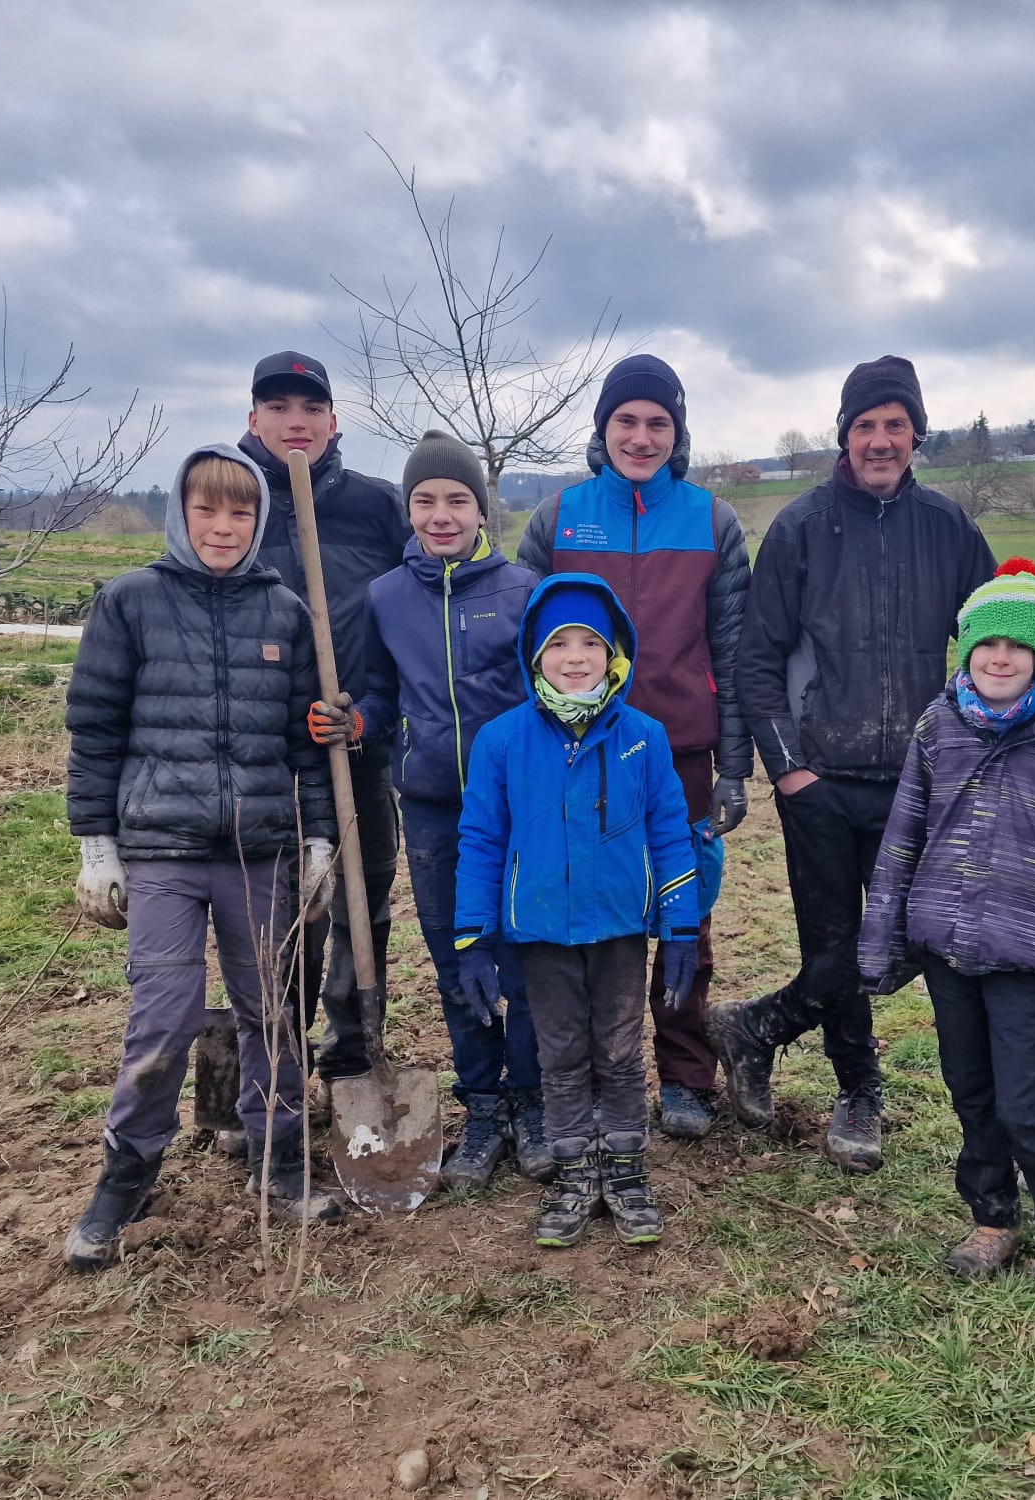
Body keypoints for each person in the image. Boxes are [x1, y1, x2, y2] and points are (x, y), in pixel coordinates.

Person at [710, 355, 996, 1173]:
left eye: (895, 426)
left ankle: (757, 1024)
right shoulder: (801, 529)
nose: (880, 440)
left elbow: (996, 643)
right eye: (865, 425)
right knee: (832, 942)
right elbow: (754, 660)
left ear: (916, 436)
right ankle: (859, 1089)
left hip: (919, 785)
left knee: (905, 944)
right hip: (823, 781)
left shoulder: (949, 530)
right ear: (845, 435)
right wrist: (790, 770)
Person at [63, 444, 343, 1270]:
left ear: (258, 520)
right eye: (207, 510)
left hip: (261, 851)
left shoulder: (285, 611)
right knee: (164, 1017)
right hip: (161, 851)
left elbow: (305, 744)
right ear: (180, 515)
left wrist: (319, 837)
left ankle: (280, 1161)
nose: (224, 527)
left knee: (273, 1012)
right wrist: (96, 846)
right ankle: (128, 1173)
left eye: (241, 511)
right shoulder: (130, 602)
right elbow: (96, 731)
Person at [860, 560, 1035, 1311]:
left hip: (1028, 957)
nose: (1000, 659)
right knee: (971, 1093)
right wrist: (881, 939)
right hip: (949, 951)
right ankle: (991, 1215)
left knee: (1027, 1108)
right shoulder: (937, 727)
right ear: (967, 652)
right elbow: (902, 839)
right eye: (986, 646)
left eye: (1018, 649)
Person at [517, 355, 751, 1141]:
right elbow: (523, 648)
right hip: (574, 752)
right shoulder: (558, 520)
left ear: (678, 433)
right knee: (590, 910)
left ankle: (686, 1076)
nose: (641, 436)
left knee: (687, 912)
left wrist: (734, 768)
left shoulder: (713, 522)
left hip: (680, 756)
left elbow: (735, 653)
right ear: (603, 428)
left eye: (659, 422)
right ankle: (586, 1079)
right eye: (627, 421)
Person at [309, 430, 548, 1191]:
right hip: (434, 807)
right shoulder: (386, 596)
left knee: (526, 955)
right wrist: (361, 722)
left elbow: (550, 695)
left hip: (519, 808)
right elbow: (379, 692)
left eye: (456, 500)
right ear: (409, 510)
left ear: (482, 508)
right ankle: (482, 1106)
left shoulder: (525, 589)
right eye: (425, 501)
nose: (440, 515)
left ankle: (531, 1101)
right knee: (457, 959)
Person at [453, 575, 700, 1247]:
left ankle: (625, 1169)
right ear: (535, 654)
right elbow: (480, 839)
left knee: (619, 1053)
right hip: (541, 933)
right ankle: (573, 1171)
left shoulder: (643, 737)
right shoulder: (502, 741)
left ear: (613, 651)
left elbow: (670, 829)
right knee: (560, 1056)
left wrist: (680, 927)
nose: (574, 657)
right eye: (558, 643)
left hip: (620, 928)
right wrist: (473, 937)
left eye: (590, 642)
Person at [237, 351, 410, 1088]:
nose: (295, 420)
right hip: (270, 755)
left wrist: (371, 713)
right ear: (253, 420)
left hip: (360, 742)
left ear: (334, 421)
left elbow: (411, 618)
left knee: (362, 897)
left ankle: (353, 1045)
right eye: (277, 407)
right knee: (285, 911)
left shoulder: (376, 506)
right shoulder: (232, 503)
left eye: (309, 408)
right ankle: (277, 1052)